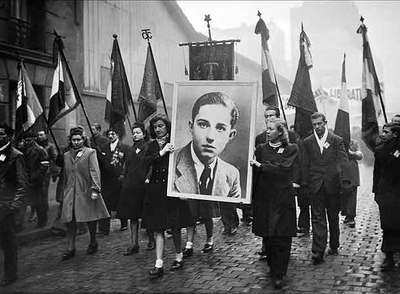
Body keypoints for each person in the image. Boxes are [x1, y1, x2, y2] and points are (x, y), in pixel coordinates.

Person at [171, 92, 241, 246]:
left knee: (207, 214)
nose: (210, 136)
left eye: (220, 128)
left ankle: (209, 240)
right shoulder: (173, 163)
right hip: (185, 207)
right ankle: (189, 244)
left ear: (231, 135)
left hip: (208, 208)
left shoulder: (231, 174)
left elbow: (233, 204)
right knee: (189, 213)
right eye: (203, 124)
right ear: (191, 126)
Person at [142, 114, 193, 279]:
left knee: (175, 225)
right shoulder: (151, 146)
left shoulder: (175, 143)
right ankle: (159, 264)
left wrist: (183, 190)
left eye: (161, 126)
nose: (158, 129)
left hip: (172, 190)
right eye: (155, 127)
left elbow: (184, 165)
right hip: (156, 190)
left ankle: (178, 256)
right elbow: (146, 162)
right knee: (158, 227)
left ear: (167, 127)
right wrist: (162, 152)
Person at [250, 119, 298, 289]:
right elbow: (253, 173)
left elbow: (283, 169)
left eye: (271, 129)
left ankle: (280, 273)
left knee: (282, 238)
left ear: (280, 132)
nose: (267, 131)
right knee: (268, 237)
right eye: (267, 129)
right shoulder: (261, 149)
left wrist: (261, 166)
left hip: (283, 200)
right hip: (265, 199)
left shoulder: (291, 149)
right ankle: (272, 266)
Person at [302, 112, 348, 265]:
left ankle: (334, 244)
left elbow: (343, 162)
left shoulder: (336, 140)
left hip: (333, 186)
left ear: (325, 123)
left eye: (319, 124)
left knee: (333, 217)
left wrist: (343, 183)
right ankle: (318, 251)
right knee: (317, 218)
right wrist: (306, 183)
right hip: (315, 186)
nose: (317, 127)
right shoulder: (308, 141)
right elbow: (305, 165)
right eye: (314, 124)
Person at [60, 127, 109, 260]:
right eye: (73, 140)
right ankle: (70, 248)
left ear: (83, 140)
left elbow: (94, 171)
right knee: (70, 220)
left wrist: (95, 189)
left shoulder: (90, 153)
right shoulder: (66, 155)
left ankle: (93, 241)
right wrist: (63, 193)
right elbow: (65, 175)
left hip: (85, 190)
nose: (76, 142)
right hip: (70, 192)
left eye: (78, 140)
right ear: (70, 140)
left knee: (90, 218)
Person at [117, 122, 155, 255]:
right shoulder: (130, 150)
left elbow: (152, 165)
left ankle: (151, 240)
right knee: (132, 216)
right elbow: (126, 166)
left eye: (138, 132)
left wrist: (148, 178)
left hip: (144, 186)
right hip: (131, 186)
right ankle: (134, 244)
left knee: (147, 215)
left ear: (144, 134)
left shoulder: (149, 148)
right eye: (133, 133)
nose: (135, 135)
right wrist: (123, 177)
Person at [0, 123, 26, 286]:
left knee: (8, 242)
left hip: (6, 206)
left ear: (9, 137)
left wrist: (14, 206)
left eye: (1, 134)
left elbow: (22, 183)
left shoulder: (16, 155)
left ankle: (10, 274)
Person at [373, 122, 400, 271]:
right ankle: (388, 257)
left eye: (386, 132)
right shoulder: (380, 150)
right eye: (382, 132)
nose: (382, 134)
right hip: (386, 194)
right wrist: (376, 192)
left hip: (399, 194)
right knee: (388, 226)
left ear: (395, 134)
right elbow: (376, 173)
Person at [97, 128, 129, 234]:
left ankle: (124, 223)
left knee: (121, 202)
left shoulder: (124, 148)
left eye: (113, 134)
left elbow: (127, 163)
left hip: (119, 179)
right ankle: (104, 228)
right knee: (106, 203)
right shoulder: (103, 148)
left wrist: (123, 175)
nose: (110, 136)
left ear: (117, 135)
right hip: (107, 180)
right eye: (109, 134)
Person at [18, 131, 48, 229]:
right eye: (25, 140)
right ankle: (19, 225)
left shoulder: (40, 150)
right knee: (22, 203)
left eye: (29, 140)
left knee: (39, 203)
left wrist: (35, 177)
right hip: (25, 180)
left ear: (34, 139)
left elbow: (44, 165)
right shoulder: (22, 150)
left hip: (37, 181)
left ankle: (42, 222)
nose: (27, 142)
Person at [37, 130, 59, 227]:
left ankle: (44, 217)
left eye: (41, 135)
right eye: (38, 135)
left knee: (43, 194)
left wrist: (53, 170)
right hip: (37, 172)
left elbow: (54, 158)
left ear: (46, 135)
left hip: (46, 172)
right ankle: (38, 215)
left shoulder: (50, 146)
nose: (39, 136)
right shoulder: (36, 146)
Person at [340, 139, 363, 228]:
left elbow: (360, 155)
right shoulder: (337, 142)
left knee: (352, 195)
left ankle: (351, 216)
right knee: (343, 195)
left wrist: (350, 152)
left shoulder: (353, 142)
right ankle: (346, 214)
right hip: (342, 171)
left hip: (352, 173)